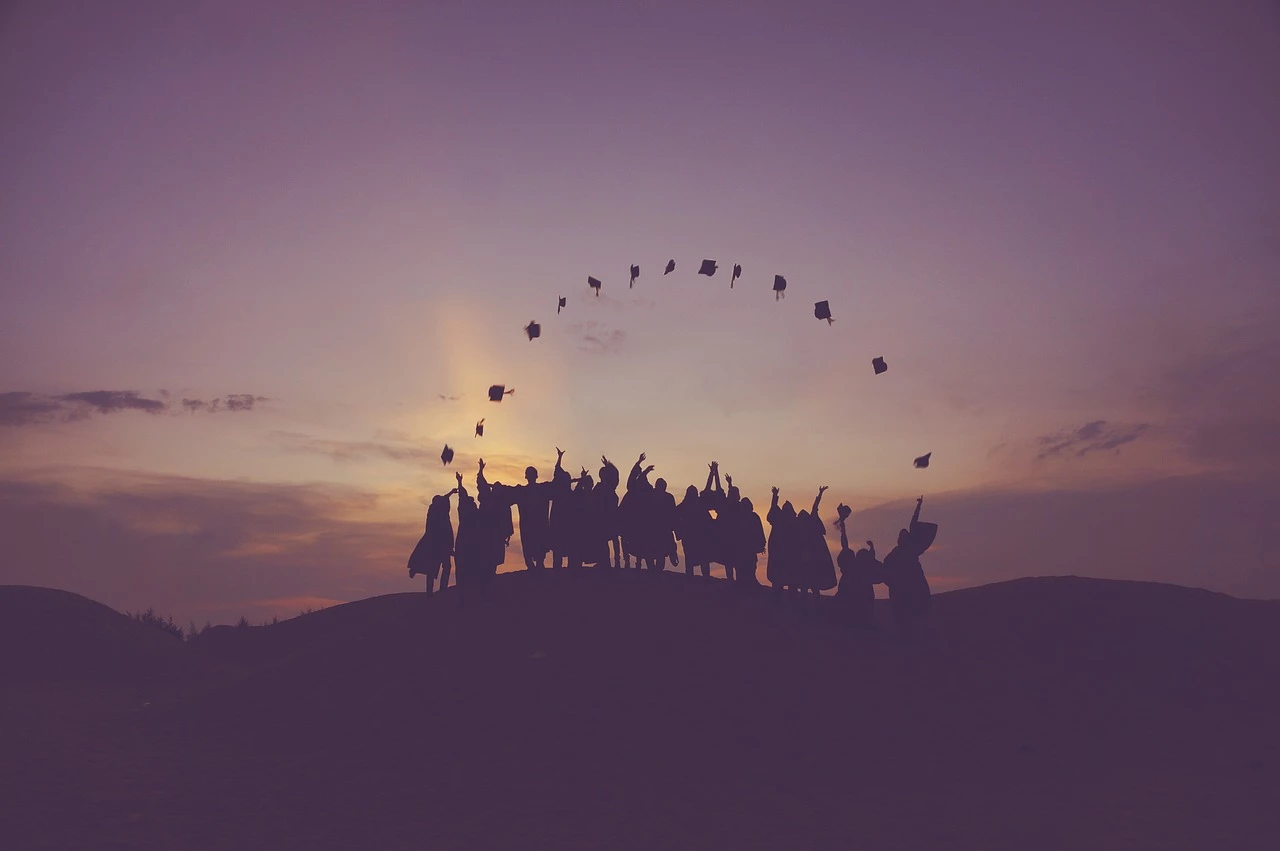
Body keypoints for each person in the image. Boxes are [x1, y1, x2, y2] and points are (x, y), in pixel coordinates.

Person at [882, 496, 934, 635]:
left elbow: (913, 523)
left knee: (914, 612)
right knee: (904, 614)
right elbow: (886, 567)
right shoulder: (899, 552)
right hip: (902, 587)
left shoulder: (910, 550)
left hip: (911, 585)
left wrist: (918, 506)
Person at [510, 454, 557, 571]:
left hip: (538, 525)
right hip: (529, 526)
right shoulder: (523, 491)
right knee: (529, 546)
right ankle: (532, 566)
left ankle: (536, 565)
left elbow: (557, 484)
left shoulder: (541, 489)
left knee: (537, 546)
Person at [407, 486, 457, 594]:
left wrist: (451, 493)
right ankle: (436, 590)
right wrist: (451, 493)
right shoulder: (435, 512)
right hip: (438, 545)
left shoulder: (438, 514)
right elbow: (444, 499)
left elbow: (444, 499)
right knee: (436, 567)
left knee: (440, 567)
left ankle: (438, 590)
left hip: (441, 544)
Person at [834, 504, 876, 628]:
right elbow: (844, 542)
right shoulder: (853, 567)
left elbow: (844, 543)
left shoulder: (857, 569)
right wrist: (842, 524)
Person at [796, 486, 837, 599]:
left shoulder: (810, 529)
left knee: (812, 587)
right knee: (808, 587)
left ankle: (813, 607)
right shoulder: (800, 533)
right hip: (807, 562)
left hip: (812, 562)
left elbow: (814, 508)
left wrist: (820, 494)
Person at [675, 485, 713, 578]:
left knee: (703, 560)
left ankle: (705, 579)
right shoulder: (683, 507)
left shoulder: (700, 505)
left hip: (701, 538)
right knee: (690, 560)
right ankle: (692, 579)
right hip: (689, 538)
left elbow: (707, 491)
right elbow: (675, 518)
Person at [766, 487, 798, 594]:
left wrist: (775, 497)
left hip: (788, 555)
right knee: (779, 579)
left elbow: (773, 509)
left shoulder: (790, 523)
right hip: (779, 554)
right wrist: (774, 496)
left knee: (788, 580)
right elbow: (773, 509)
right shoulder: (780, 520)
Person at [594, 456, 622, 568]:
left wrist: (607, 464)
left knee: (612, 539)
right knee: (604, 540)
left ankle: (616, 561)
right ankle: (605, 562)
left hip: (609, 516)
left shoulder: (610, 487)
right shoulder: (601, 487)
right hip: (603, 517)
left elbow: (615, 474)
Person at [732, 496, 767, 585]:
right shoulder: (739, 517)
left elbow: (759, 532)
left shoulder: (751, 517)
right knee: (743, 570)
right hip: (742, 549)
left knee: (748, 570)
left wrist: (761, 544)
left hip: (747, 550)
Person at [548, 449, 573, 569]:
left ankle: (564, 570)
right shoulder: (561, 492)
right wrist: (559, 458)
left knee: (563, 548)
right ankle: (562, 570)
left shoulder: (565, 494)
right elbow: (557, 470)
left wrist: (559, 458)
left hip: (564, 524)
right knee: (559, 549)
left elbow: (557, 471)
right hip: (559, 524)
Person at [649, 477, 678, 572]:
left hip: (661, 529)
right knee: (657, 552)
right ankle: (656, 570)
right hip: (656, 529)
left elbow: (673, 514)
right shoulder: (652, 495)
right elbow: (673, 514)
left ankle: (656, 571)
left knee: (659, 553)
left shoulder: (666, 497)